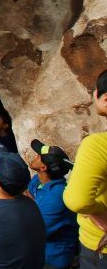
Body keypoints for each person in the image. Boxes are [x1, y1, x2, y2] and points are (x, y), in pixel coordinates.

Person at [63, 69, 107, 268]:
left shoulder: (98, 145)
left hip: (100, 247)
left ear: (105, 99)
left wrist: (100, 214)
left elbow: (77, 200)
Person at [26, 139, 78, 269]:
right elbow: (27, 194)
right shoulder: (38, 180)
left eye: (39, 156)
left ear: (43, 167)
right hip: (40, 252)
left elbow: (35, 233)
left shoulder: (57, 197)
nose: (36, 156)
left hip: (53, 258)